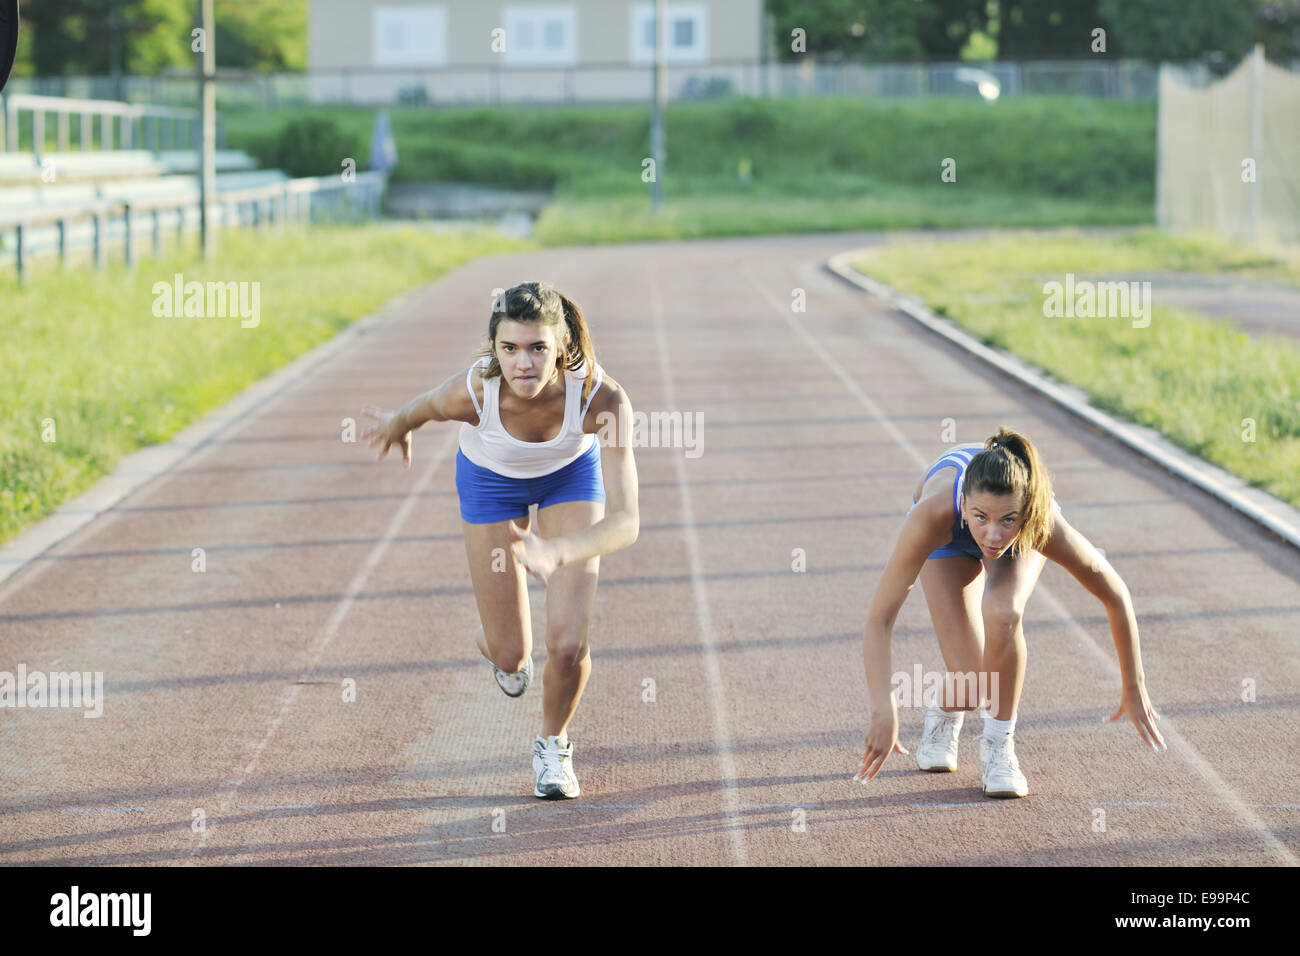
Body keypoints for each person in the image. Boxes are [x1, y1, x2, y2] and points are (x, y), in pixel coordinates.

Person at [360, 281, 639, 799]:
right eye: (509, 349)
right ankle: (496, 645)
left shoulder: (601, 397)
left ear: (562, 346)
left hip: (568, 479)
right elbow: (424, 406)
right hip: (490, 481)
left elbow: (626, 523)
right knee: (513, 657)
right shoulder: (474, 392)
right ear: (494, 349)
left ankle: (553, 746)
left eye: (537, 348)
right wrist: (397, 424)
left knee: (568, 644)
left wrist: (558, 550)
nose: (523, 364)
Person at [853, 427, 1165, 798]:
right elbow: (879, 620)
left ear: (1026, 513)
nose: (993, 536)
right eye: (981, 517)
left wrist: (1133, 685)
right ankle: (942, 712)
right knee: (971, 685)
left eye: (1007, 520)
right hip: (950, 542)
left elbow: (1115, 594)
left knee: (1003, 613)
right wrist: (883, 707)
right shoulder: (932, 515)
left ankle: (998, 745)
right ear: (965, 505)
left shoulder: (1039, 521)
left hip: (1020, 538)